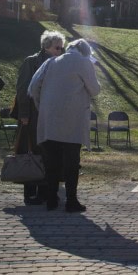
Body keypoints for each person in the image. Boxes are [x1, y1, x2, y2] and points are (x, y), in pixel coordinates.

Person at [29, 39, 100, 212]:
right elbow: (95, 90)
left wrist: (42, 107)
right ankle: (71, 200)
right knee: (71, 162)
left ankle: (51, 199)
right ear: (85, 52)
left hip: (49, 119)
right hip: (72, 120)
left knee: (51, 162)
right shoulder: (83, 62)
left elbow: (32, 87)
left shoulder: (50, 61)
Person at [14, 30, 65, 205]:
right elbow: (23, 90)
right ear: (47, 46)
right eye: (57, 47)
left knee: (50, 154)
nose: (60, 50)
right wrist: (24, 115)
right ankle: (30, 191)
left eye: (62, 47)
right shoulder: (32, 62)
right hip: (35, 114)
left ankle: (46, 191)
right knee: (33, 151)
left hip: (53, 115)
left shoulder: (61, 63)